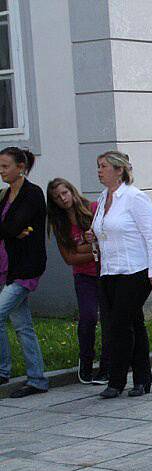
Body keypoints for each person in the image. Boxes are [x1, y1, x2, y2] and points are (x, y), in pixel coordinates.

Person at [88, 151, 152, 399]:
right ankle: (143, 379)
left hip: (135, 270)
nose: (99, 170)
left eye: (104, 166)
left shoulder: (134, 197)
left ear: (119, 170)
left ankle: (117, 380)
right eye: (98, 166)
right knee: (133, 324)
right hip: (110, 271)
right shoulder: (103, 198)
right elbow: (106, 229)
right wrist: (95, 235)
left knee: (119, 325)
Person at [46, 178, 110, 385]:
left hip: (105, 272)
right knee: (88, 317)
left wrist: (85, 249)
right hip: (83, 276)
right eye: (57, 197)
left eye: (65, 193)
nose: (63, 199)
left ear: (72, 191)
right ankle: (86, 360)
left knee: (109, 319)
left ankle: (108, 365)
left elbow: (106, 242)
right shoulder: (60, 224)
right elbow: (69, 258)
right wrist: (93, 250)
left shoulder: (92, 208)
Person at [0, 147, 48, 397]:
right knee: (22, 325)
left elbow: (13, 226)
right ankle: (37, 378)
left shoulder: (32, 193)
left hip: (26, 269)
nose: (1, 171)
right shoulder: (5, 194)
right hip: (7, 268)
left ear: (21, 167)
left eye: (6, 166)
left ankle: (2, 370)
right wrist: (11, 229)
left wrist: (12, 229)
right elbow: (10, 229)